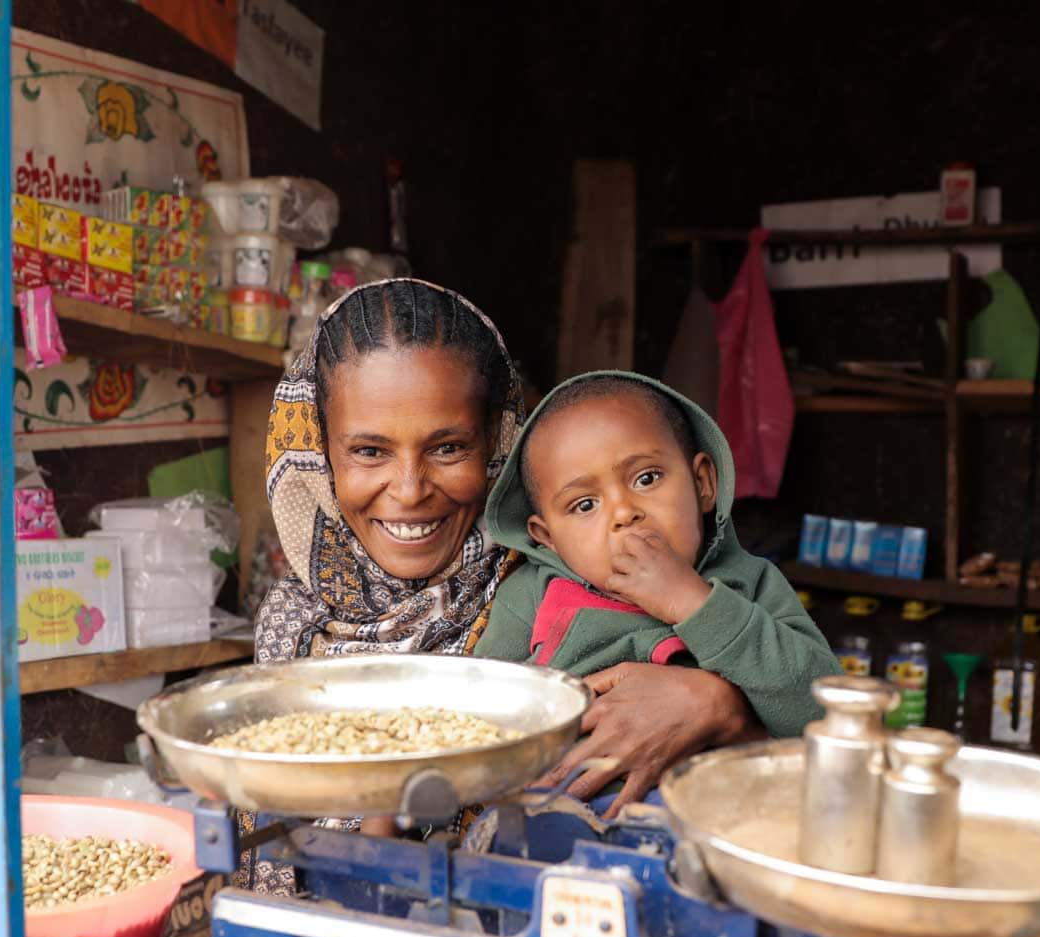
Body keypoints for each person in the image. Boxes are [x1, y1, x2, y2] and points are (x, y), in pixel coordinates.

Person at [244, 281, 762, 873]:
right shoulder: (292, 626)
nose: (410, 489)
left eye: (448, 448)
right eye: (369, 451)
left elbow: (788, 753)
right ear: (319, 453)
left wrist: (722, 704)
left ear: (496, 441)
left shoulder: (573, 573)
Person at [475, 371, 839, 814]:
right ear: (547, 537)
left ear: (703, 483)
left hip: (720, 832)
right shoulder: (532, 596)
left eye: (646, 478)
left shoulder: (751, 584)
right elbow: (481, 718)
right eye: (584, 505)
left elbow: (823, 716)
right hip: (557, 829)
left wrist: (695, 602)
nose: (624, 513)